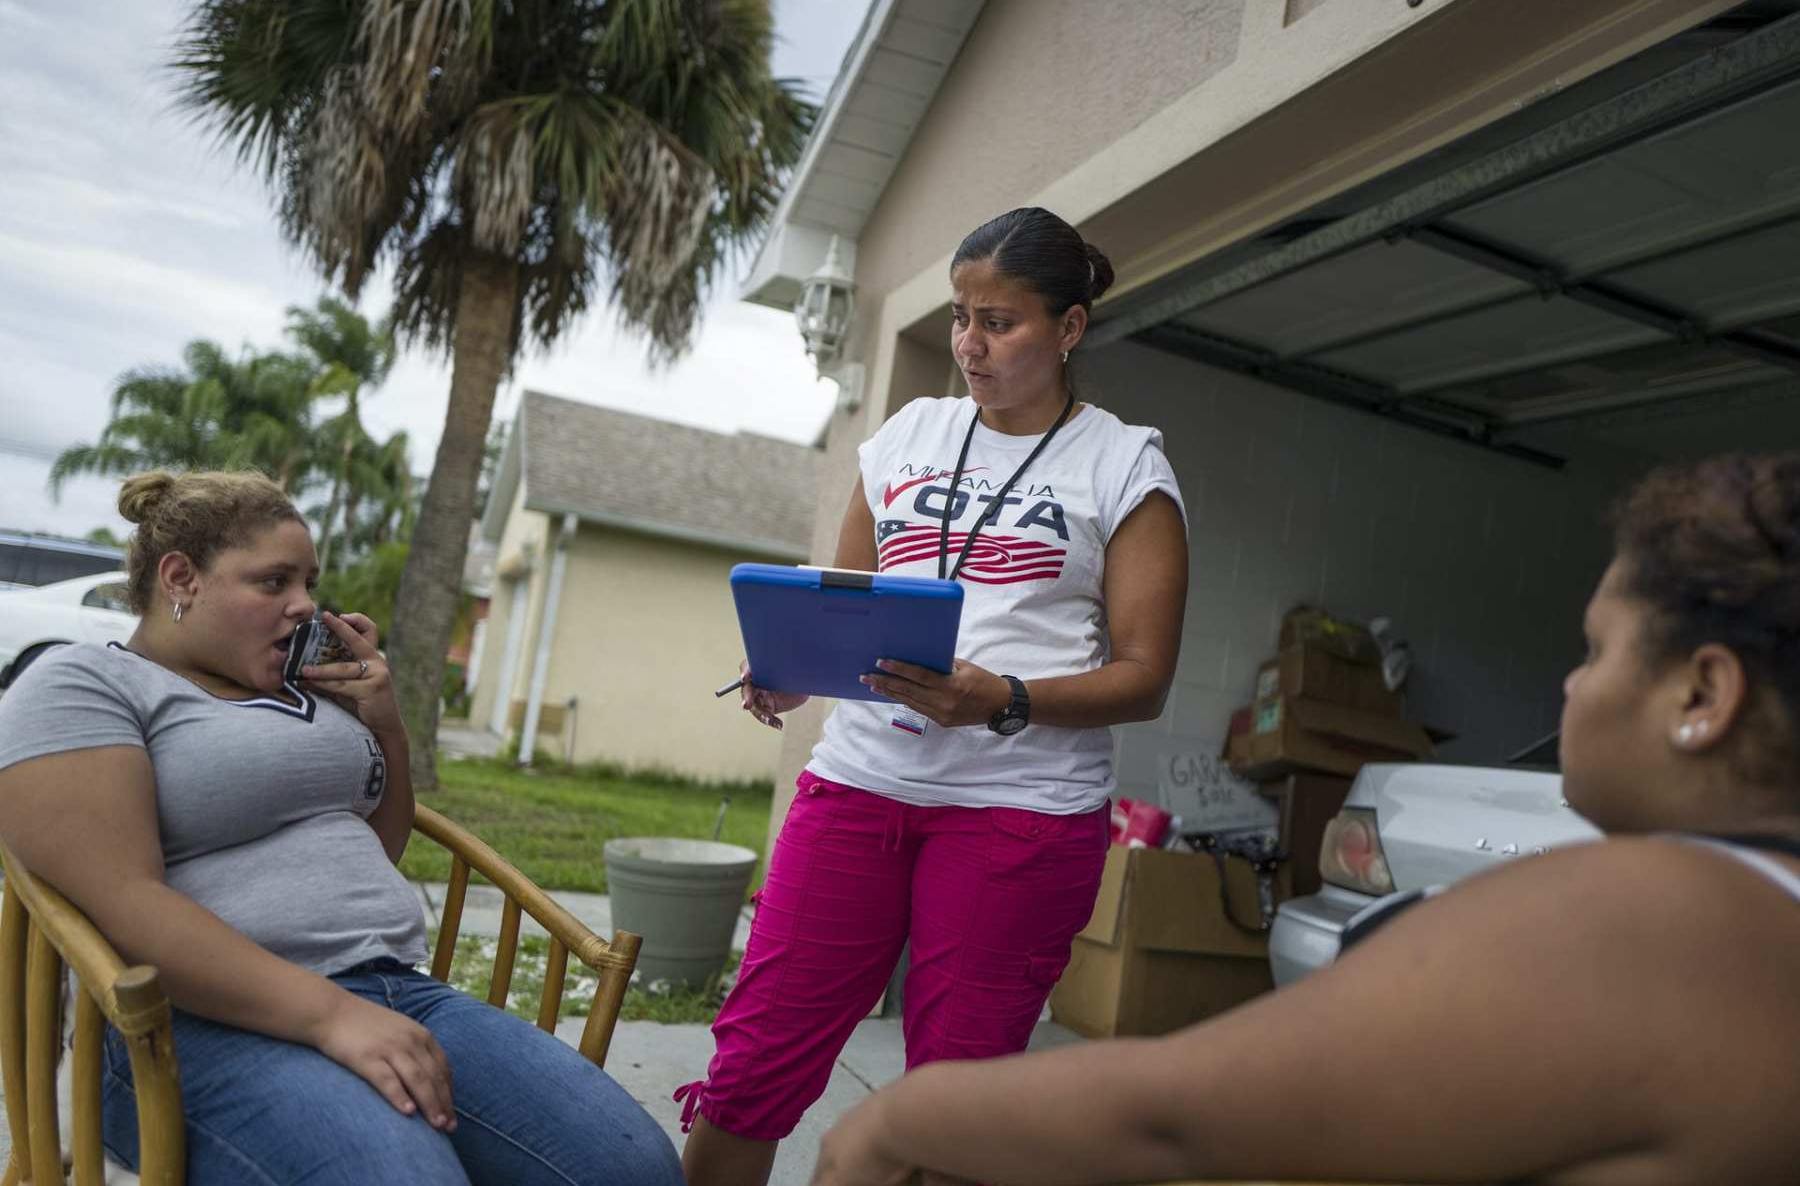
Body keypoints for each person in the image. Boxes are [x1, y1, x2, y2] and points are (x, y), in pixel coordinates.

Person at [810, 450, 1800, 1186]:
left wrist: (904, 1119)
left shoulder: (1665, 917)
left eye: (1594, 651)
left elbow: (1177, 1120)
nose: (1573, 688)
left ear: (1701, 695)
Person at [677, 206, 1190, 1186]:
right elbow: (840, 611)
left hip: (1020, 813)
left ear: (1069, 329)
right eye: (961, 316)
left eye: (999, 322)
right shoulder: (908, 434)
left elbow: (1145, 675)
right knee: (754, 1063)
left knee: (956, 1111)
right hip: (861, 784)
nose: (968, 343)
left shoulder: (1125, 465)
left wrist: (1005, 699)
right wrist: (788, 673)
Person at [0, 470, 683, 1186]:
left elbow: (375, 850)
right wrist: (329, 1016)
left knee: (632, 1166)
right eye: (274, 582)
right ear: (182, 578)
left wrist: (385, 728)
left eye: (309, 582)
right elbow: (122, 903)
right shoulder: (85, 683)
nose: (304, 606)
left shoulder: (307, 691)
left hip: (395, 990)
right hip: (185, 1028)